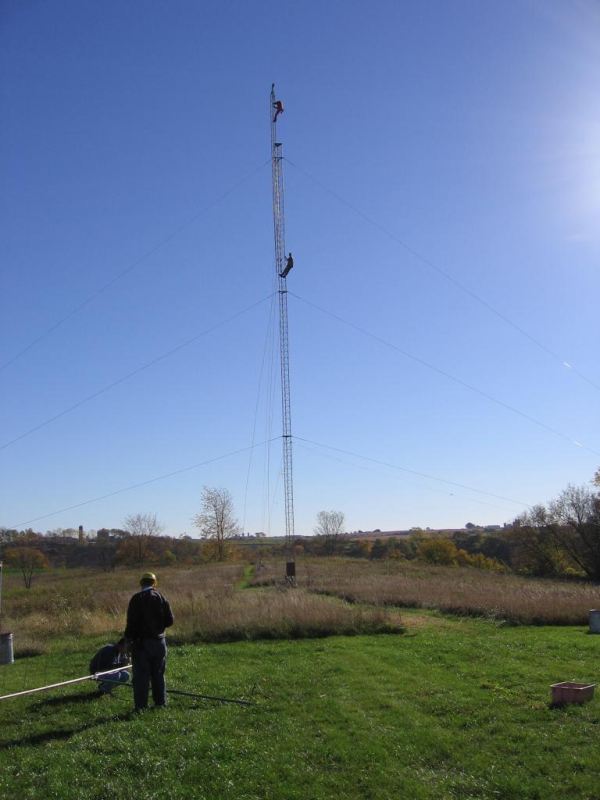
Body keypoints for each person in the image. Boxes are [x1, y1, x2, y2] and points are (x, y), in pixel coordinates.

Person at [124, 572, 174, 711]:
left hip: (141, 645)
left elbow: (131, 623)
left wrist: (128, 639)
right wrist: (159, 628)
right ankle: (160, 704)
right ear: (154, 583)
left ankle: (141, 707)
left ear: (141, 584)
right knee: (158, 674)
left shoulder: (136, 599)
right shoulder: (161, 597)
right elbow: (170, 621)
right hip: (159, 643)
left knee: (141, 677)